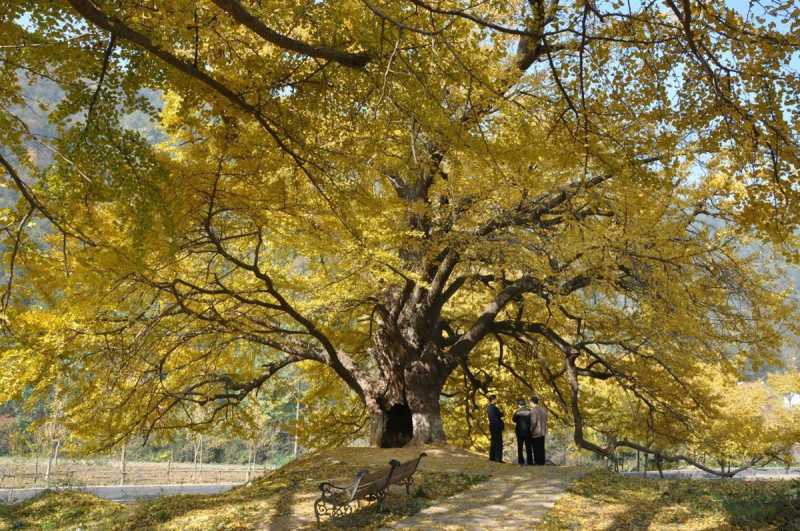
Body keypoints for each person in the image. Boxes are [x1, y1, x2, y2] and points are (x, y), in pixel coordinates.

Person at [512, 399, 533, 465]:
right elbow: (532, 420)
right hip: (528, 431)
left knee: (520, 447)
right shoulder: (530, 411)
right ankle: (530, 462)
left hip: (519, 431)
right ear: (525, 404)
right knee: (528, 447)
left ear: (519, 405)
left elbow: (514, 420)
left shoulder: (517, 412)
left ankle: (521, 461)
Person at [530, 396, 548, 465]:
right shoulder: (543, 410)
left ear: (532, 402)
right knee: (541, 447)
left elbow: (533, 422)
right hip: (543, 431)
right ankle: (542, 461)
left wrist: (531, 430)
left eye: (530, 402)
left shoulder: (533, 410)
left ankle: (537, 462)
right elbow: (546, 419)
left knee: (536, 447)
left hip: (536, 432)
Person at [487, 394, 505, 462]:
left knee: (493, 442)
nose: (496, 400)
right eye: (495, 399)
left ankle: (492, 457)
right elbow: (500, 415)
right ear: (493, 400)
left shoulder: (489, 408)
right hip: (497, 427)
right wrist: (502, 411)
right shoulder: (494, 408)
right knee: (498, 443)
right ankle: (498, 458)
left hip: (492, 426)